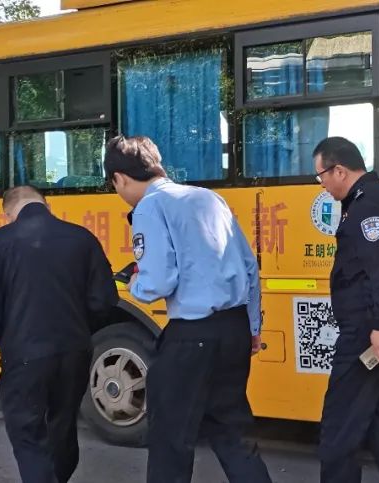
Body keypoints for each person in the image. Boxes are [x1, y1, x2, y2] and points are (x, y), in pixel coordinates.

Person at [103, 135, 271, 483]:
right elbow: (249, 266)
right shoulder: (208, 197)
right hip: (234, 328)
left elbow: (159, 281)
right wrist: (253, 329)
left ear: (119, 178)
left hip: (193, 336)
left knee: (170, 436)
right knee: (231, 430)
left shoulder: (150, 206)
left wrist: (133, 283)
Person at [0, 186, 118, 483]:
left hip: (24, 358)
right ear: (46, 205)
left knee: (28, 435)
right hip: (75, 353)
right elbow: (104, 301)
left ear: (8, 214)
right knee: (62, 428)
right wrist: (80, 330)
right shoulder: (83, 239)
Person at [313, 137, 379, 483]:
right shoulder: (367, 200)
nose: (322, 184)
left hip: (370, 328)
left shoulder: (369, 204)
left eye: (321, 176)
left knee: (341, 420)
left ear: (339, 170)